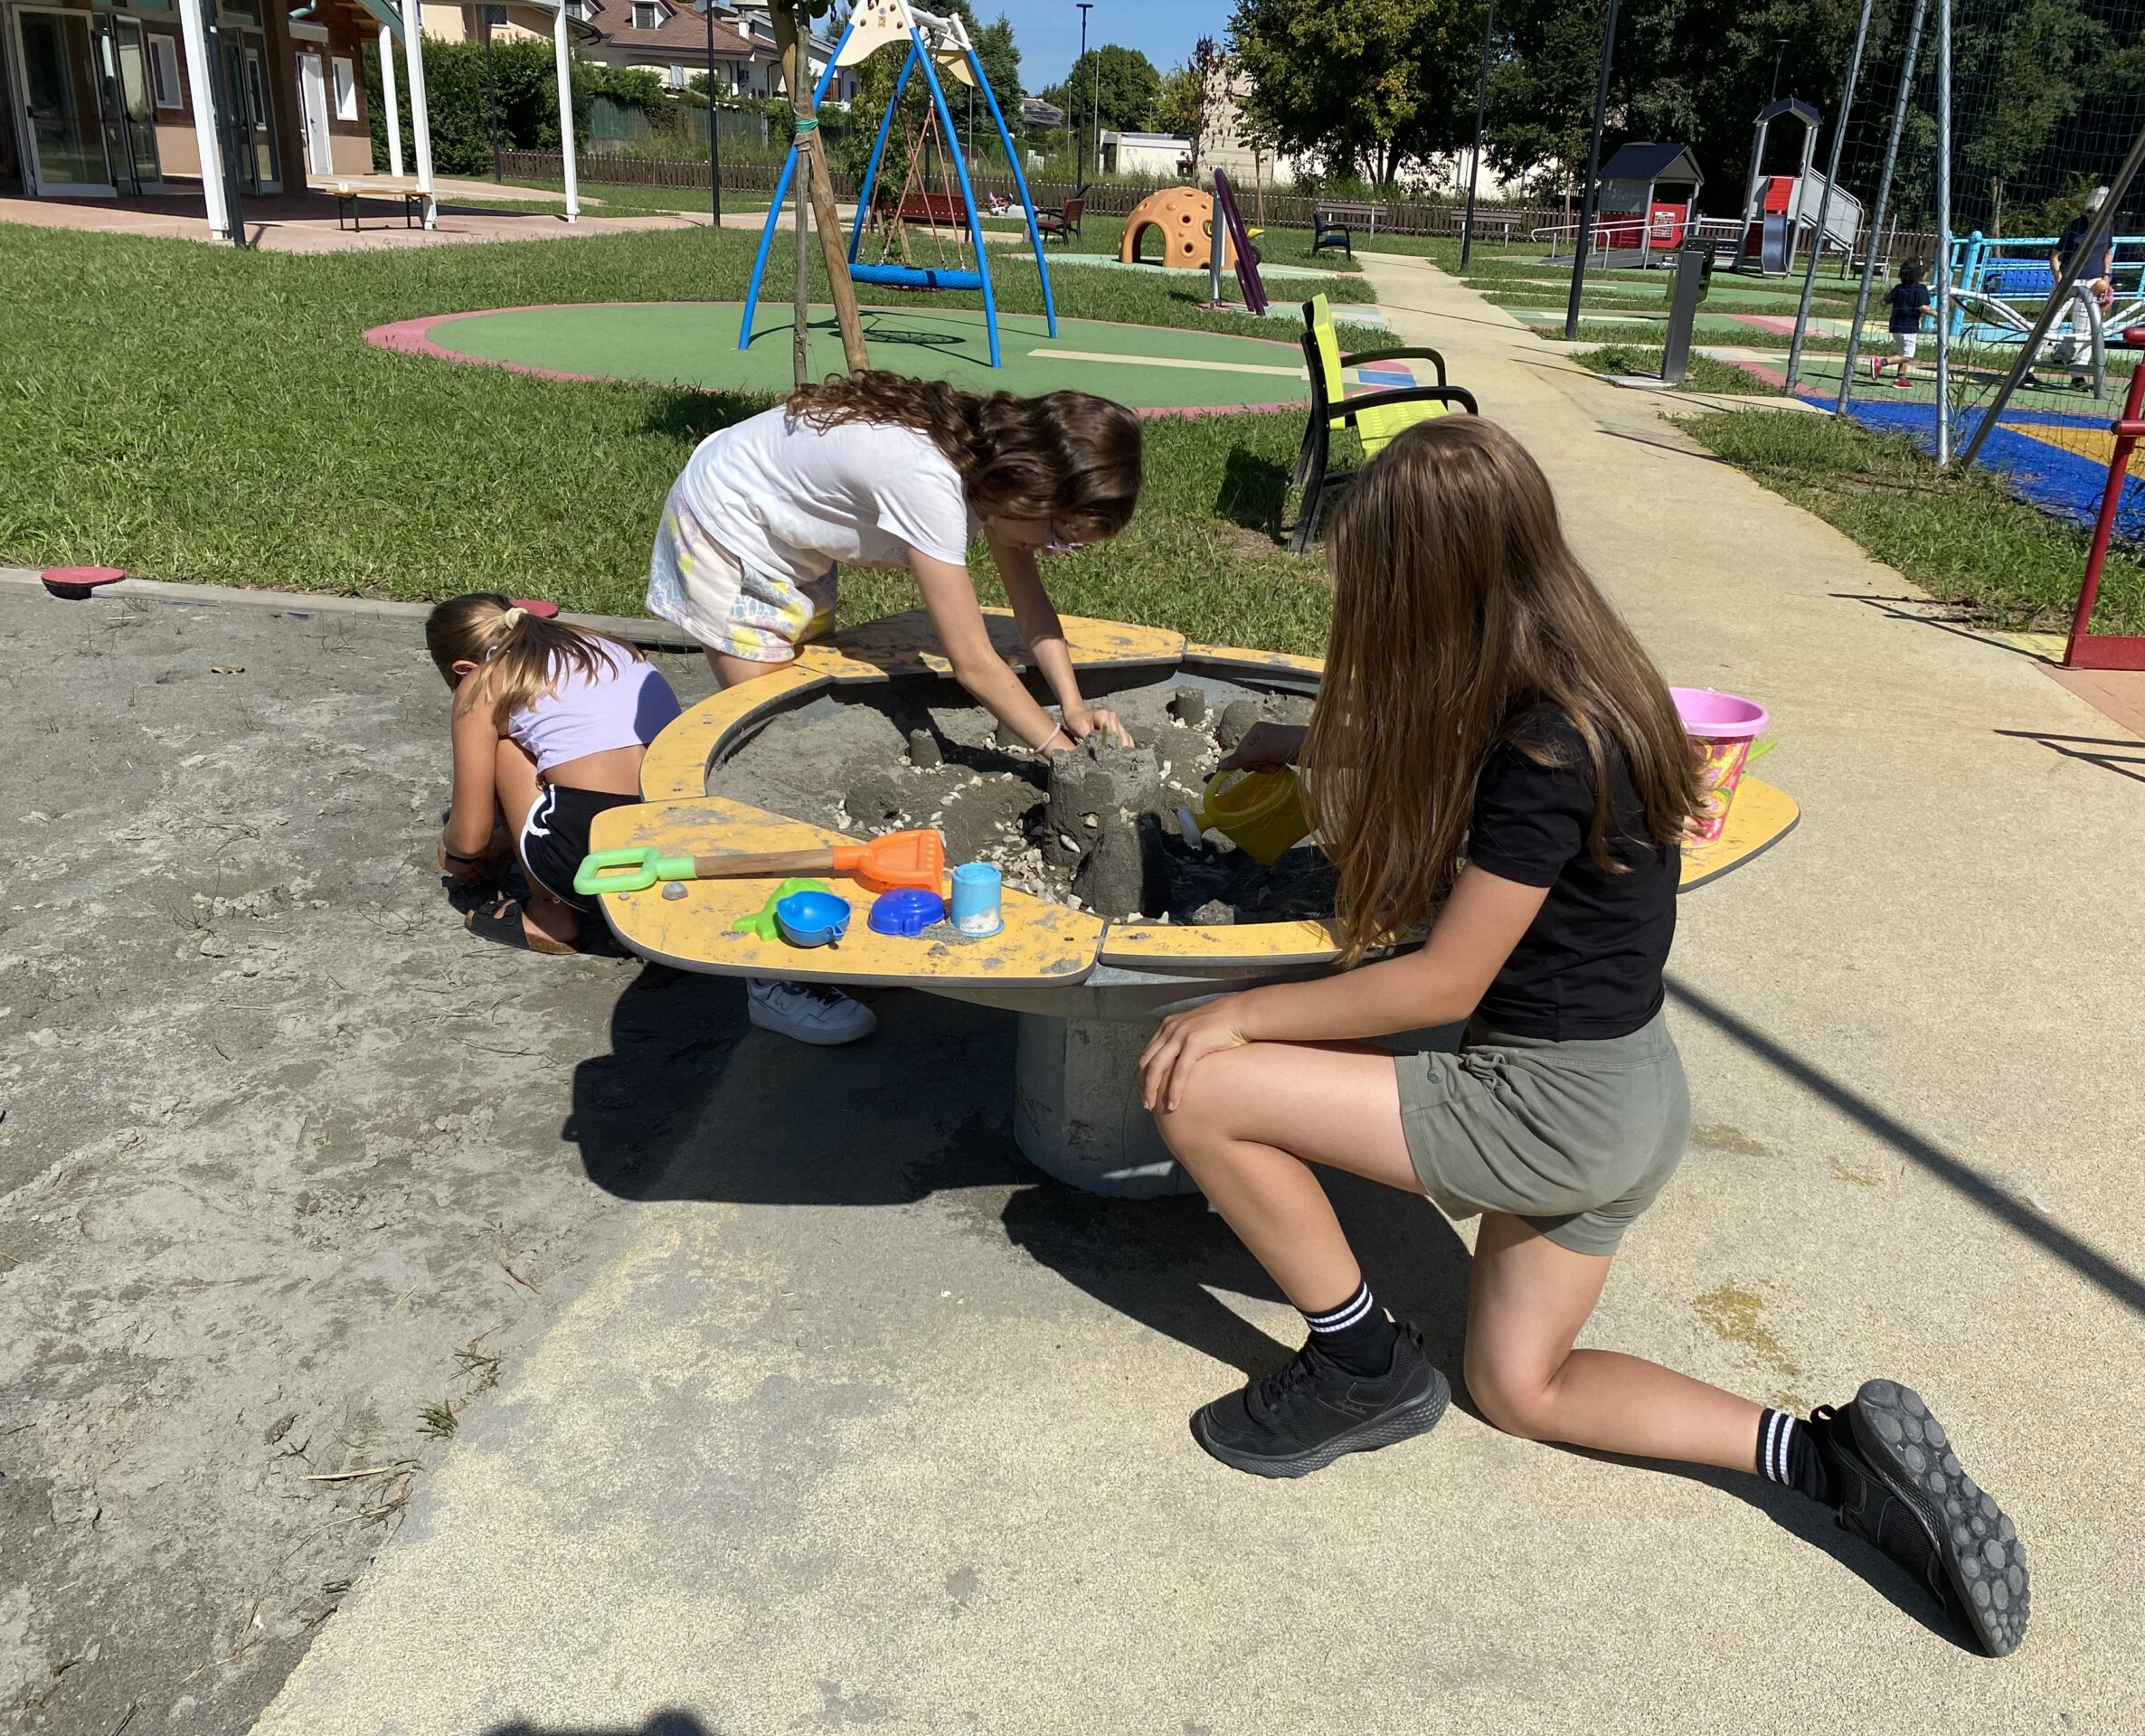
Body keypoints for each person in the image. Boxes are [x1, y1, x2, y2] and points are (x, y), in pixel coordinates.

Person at [1136, 418, 2031, 1659]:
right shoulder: (1585, 686)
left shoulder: (1542, 749)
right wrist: (1312, 743)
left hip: (1545, 1107)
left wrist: (1234, 1012)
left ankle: (1359, 1366)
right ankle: (1830, 1462)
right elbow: (1462, 772)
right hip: (1634, 1095)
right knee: (1520, 1391)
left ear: (1427, 587)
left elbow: (1435, 981)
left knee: (1197, 1086)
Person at [648, 371, 1143, 1045]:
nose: (1055, 551)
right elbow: (970, 661)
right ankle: (773, 978)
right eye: (1060, 535)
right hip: (729, 527)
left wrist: (1074, 705)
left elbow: (1026, 598)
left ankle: (809, 923)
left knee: (795, 698)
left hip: (783, 534)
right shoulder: (929, 482)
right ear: (1032, 486)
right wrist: (1060, 753)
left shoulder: (992, 475)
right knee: (774, 738)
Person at [427, 596, 682, 956]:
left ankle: (549, 917)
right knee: (559, 751)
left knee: (504, 745)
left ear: (464, 668)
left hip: (591, 862)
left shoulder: (483, 681)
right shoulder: (605, 645)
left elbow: (469, 840)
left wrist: (455, 857)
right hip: (675, 844)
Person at [2028, 186, 2115, 392]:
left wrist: (2106, 277)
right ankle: (2028, 369)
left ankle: (2078, 375)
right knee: (2049, 324)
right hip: (2068, 281)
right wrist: (2059, 278)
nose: (2092, 218)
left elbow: (2107, 252)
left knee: (2086, 329)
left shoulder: (2109, 226)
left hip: (2093, 282)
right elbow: (2055, 254)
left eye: (2097, 214)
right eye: (2090, 213)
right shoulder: (2075, 226)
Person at [1872, 259, 1933, 389]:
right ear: (1921, 275)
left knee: (1902, 352)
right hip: (1909, 327)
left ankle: (1900, 379)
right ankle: (1881, 362)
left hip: (1895, 326)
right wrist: (1938, 314)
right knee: (1907, 356)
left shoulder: (1898, 288)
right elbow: (1923, 308)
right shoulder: (1921, 289)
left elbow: (1884, 302)